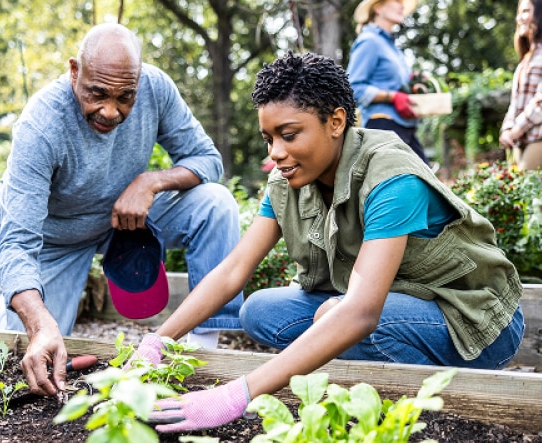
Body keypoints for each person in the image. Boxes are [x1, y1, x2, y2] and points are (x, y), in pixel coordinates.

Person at [134, 52, 524, 433]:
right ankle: (365, 370)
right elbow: (234, 270)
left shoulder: (391, 175)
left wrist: (239, 393)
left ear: (336, 121)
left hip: (473, 321)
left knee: (346, 321)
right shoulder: (288, 181)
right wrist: (158, 340)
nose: (276, 153)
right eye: (269, 138)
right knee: (260, 311)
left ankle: (440, 404)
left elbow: (360, 313)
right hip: (394, 302)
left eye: (289, 135)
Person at [0, 23, 243, 396]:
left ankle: (204, 353)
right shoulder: (41, 124)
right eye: (97, 94)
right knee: (24, 361)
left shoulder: (155, 88)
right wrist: (39, 323)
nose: (110, 111)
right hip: (55, 237)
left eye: (126, 97)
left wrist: (150, 181)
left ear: (139, 81)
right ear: (75, 71)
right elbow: (15, 243)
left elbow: (207, 159)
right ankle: (8, 312)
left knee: (216, 203)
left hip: (125, 219)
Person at [346, 0, 430, 165]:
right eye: (397, 0)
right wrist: (391, 97)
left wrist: (413, 82)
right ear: (378, 8)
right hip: (383, 127)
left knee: (428, 183)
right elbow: (353, 89)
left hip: (404, 128)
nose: (402, 5)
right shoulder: (369, 41)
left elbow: (395, 85)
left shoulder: (391, 47)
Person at [500, 0, 542, 170]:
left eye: (526, 11)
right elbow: (515, 102)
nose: (520, 18)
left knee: (524, 188)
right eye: (519, 12)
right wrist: (507, 129)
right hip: (520, 138)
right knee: (516, 191)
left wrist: (516, 129)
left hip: (538, 136)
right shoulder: (526, 59)